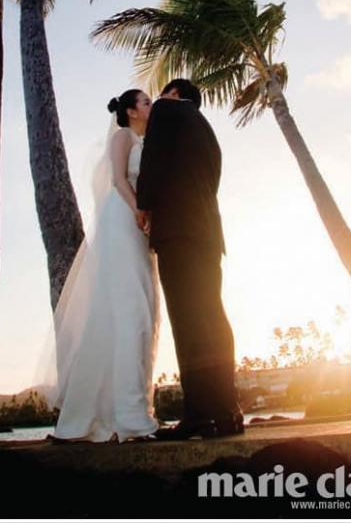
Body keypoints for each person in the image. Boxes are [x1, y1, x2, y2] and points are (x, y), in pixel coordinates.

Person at [38, 89, 160, 443]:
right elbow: (120, 180)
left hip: (137, 223)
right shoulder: (123, 137)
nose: (151, 107)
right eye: (147, 102)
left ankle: (127, 410)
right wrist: (139, 211)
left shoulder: (144, 140)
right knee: (130, 310)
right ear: (132, 111)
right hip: (123, 219)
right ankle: (130, 415)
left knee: (136, 311)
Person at [136, 79, 244, 440]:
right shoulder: (207, 132)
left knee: (187, 322)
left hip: (178, 231)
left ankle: (199, 414)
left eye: (162, 95)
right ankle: (227, 411)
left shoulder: (168, 110)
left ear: (175, 94)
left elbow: (152, 158)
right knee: (213, 317)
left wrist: (144, 203)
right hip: (209, 233)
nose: (157, 102)